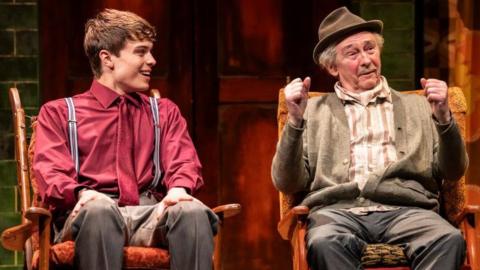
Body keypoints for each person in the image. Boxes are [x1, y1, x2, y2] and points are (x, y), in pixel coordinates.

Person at [271, 6, 468, 270]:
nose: (366, 59)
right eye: (352, 53)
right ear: (332, 66)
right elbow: (287, 181)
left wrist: (444, 119)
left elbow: (453, 170)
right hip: (337, 213)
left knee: (447, 239)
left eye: (370, 48)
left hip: (409, 211)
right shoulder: (313, 113)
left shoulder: (419, 106)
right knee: (324, 242)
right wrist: (295, 123)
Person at [33, 9, 218, 270]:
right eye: (141, 52)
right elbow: (50, 171)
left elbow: (184, 161)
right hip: (86, 215)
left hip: (150, 214)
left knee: (193, 212)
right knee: (99, 212)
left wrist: (179, 189)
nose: (152, 60)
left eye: (150, 52)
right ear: (107, 58)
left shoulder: (163, 112)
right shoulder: (60, 113)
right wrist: (83, 194)